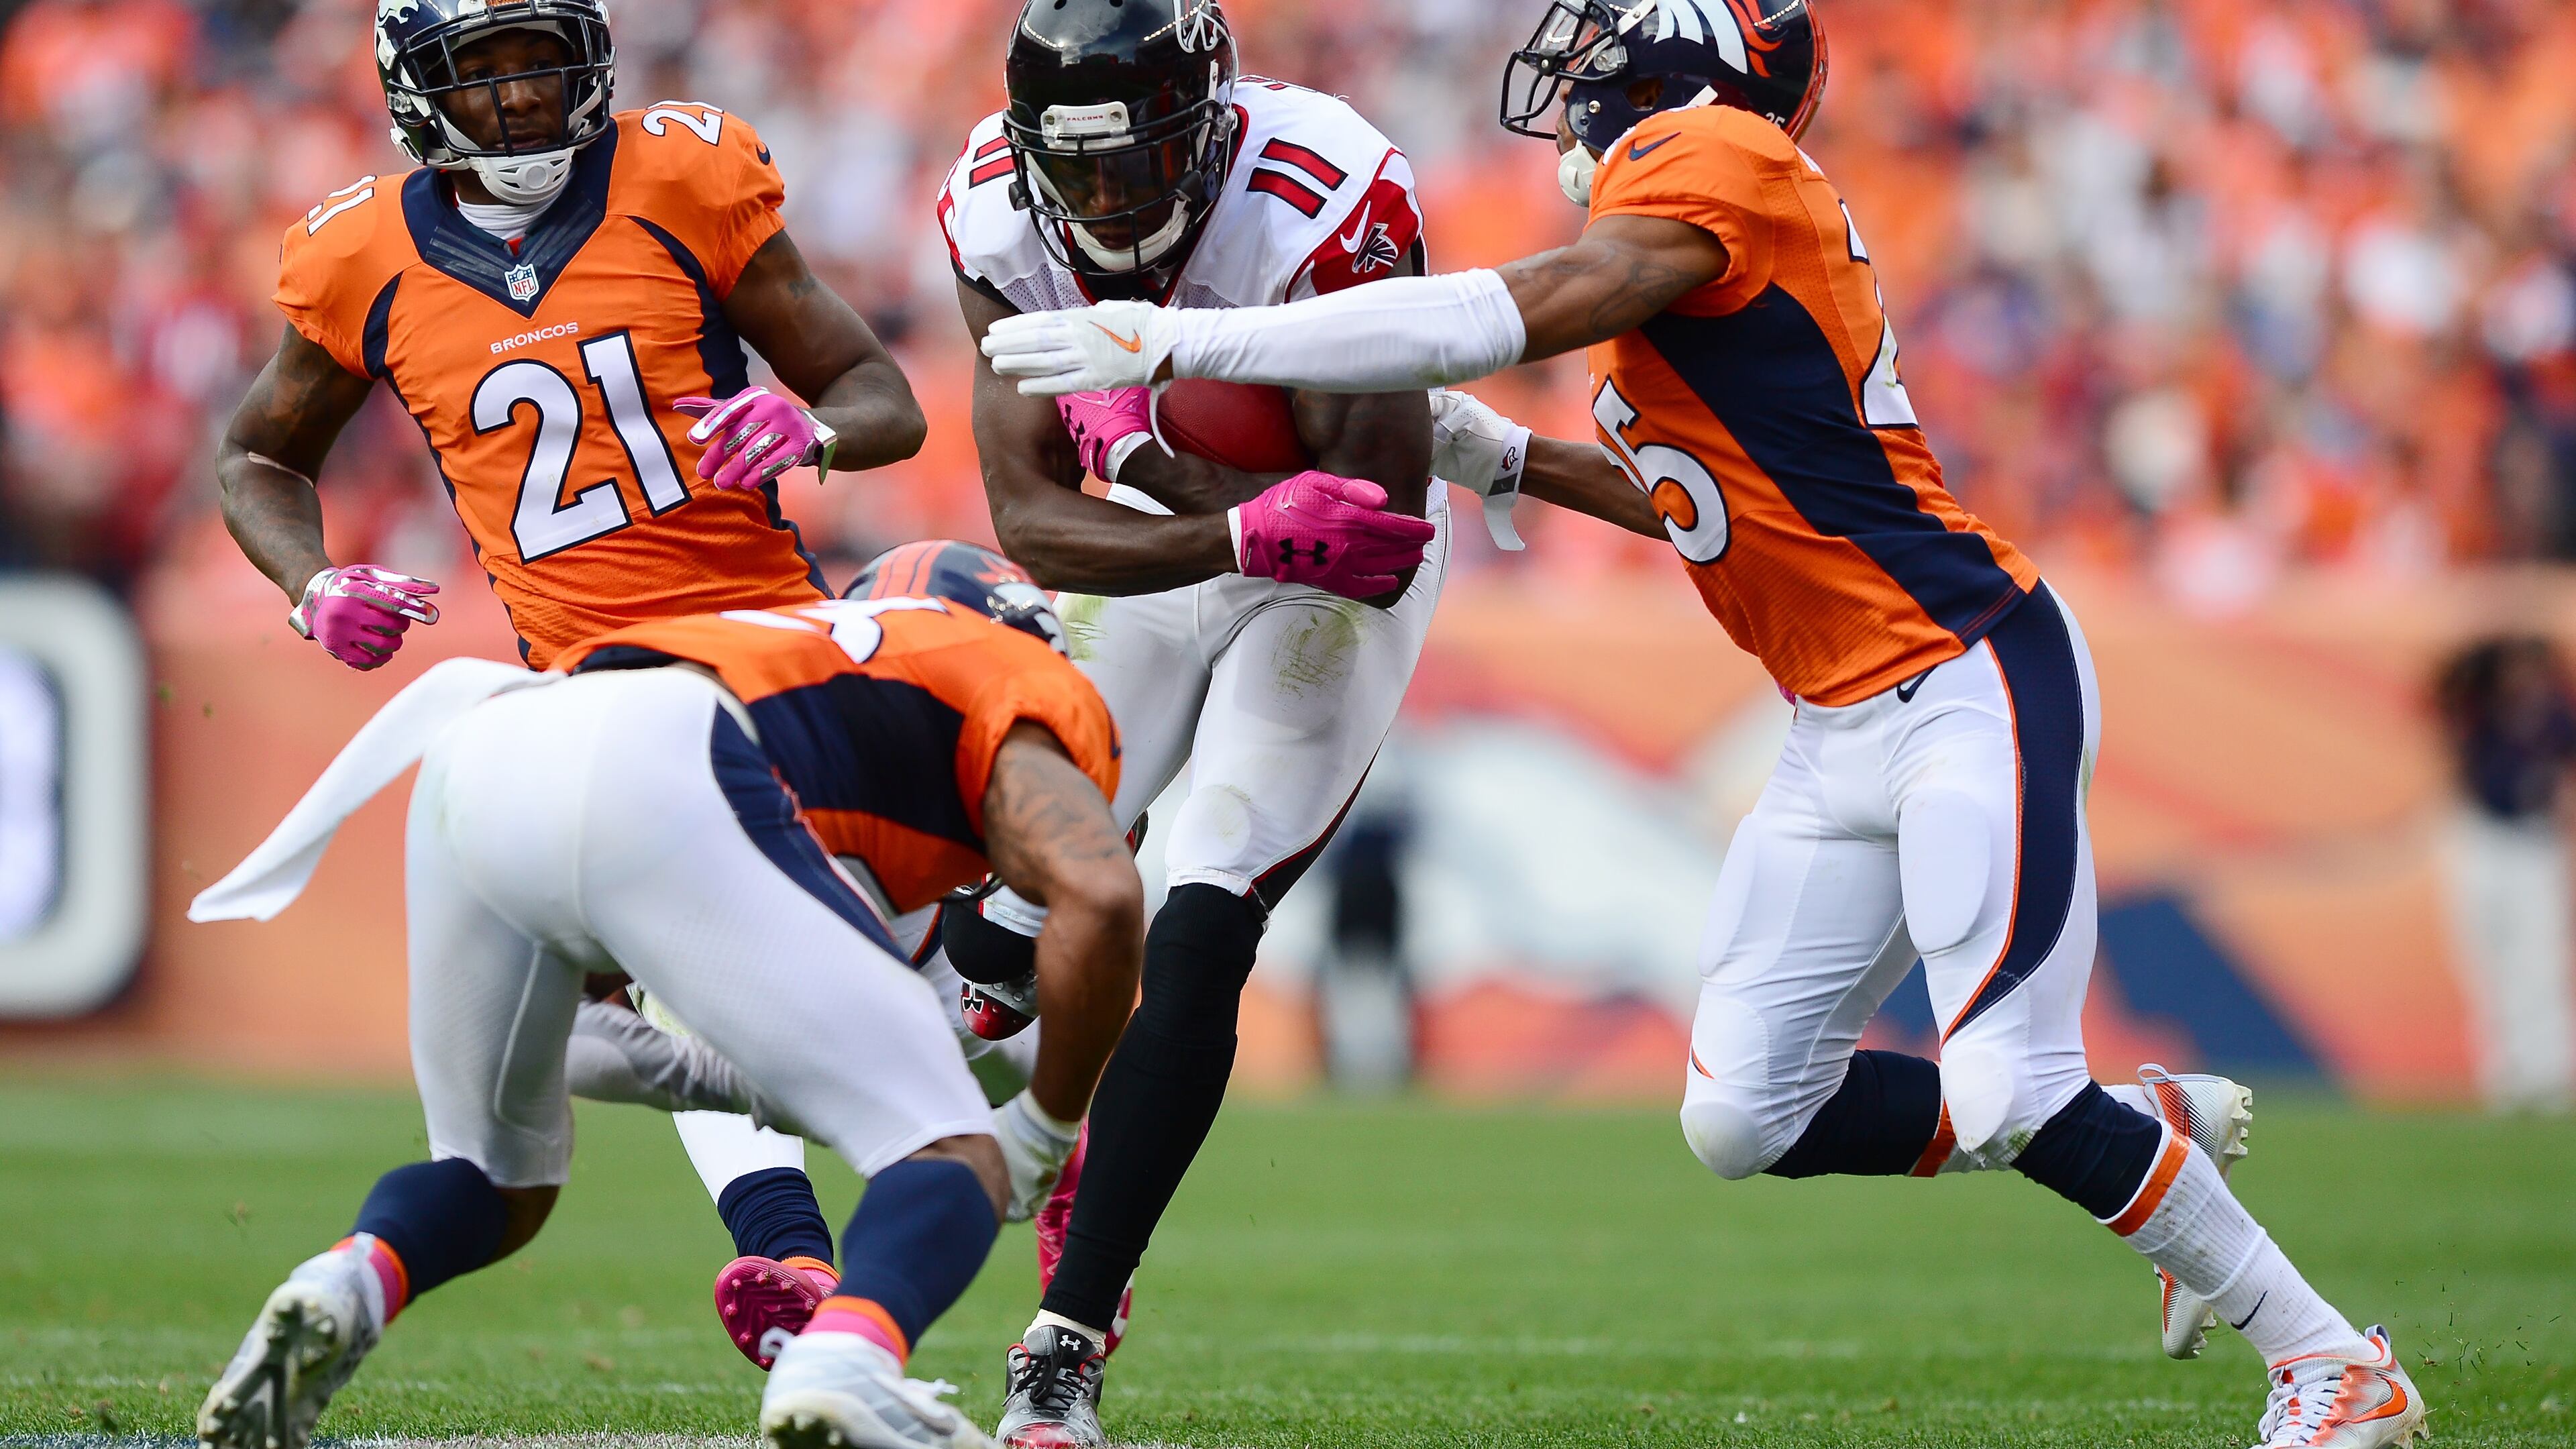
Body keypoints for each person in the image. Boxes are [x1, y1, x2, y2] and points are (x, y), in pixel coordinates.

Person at [979, 3, 2427, 1444]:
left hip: (1969, 675)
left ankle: (2330, 1361)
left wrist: (1178, 339)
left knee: (2008, 1087)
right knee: (1751, 1115)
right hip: (1839, 717)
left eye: (1610, 45)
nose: (1580, 73)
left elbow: (1504, 309)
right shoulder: (1687, 242)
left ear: (1699, 69)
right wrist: (1508, 459)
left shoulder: (1713, 155)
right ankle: (2138, 1131)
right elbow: (1700, 511)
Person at [184, 549, 1142, 1449]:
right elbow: (1099, 898)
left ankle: (346, 1283)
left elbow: (583, 1033)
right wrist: (1050, 1131)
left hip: (490, 743)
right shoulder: (1010, 674)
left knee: (495, 1177)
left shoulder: (806, 655)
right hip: (670, 761)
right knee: (950, 1151)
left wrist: (711, 1075)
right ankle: (849, 1358)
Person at [924, 3, 1449, 1443]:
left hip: (1321, 580)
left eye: (1136, 162)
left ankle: (1067, 1341)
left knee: (1203, 909)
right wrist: (1217, 513)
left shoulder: (1325, 193)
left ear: (1209, 128)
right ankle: (943, 1080)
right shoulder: (989, 206)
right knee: (999, 931)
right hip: (1188, 540)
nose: (1105, 202)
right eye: (1076, 170)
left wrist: (1174, 471)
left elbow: (1373, 522)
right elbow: (1032, 515)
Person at [215, 0, 926, 674]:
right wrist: (311, 584)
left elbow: (884, 400)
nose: (521, 96)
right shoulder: (360, 260)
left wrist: (813, 429)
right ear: (420, 87)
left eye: (539, 60)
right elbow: (258, 457)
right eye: (483, 73)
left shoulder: (678, 180)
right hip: (584, 693)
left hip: (774, 638)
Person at [2434, 635, 2576, 1112]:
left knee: (2537, 960)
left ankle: (2549, 1074)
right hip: (2480, 836)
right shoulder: (2480, 710)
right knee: (2483, 957)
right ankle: (2505, 1076)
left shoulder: (2556, 719)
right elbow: (2441, 689)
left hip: (2533, 840)